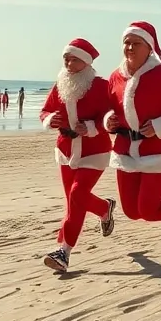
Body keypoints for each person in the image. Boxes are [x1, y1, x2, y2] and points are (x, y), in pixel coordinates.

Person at [105, 21, 161, 238]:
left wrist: (160, 126)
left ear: (149, 47)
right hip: (125, 150)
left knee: (147, 210)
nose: (130, 47)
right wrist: (108, 119)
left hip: (158, 151)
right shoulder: (115, 77)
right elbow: (107, 107)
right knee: (130, 212)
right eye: (126, 43)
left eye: (136, 43)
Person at [40, 38, 118, 273]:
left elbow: (111, 115)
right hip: (65, 150)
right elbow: (45, 109)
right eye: (66, 59)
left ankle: (63, 252)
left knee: (77, 195)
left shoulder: (101, 86)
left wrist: (94, 126)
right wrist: (48, 119)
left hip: (94, 150)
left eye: (74, 59)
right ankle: (105, 208)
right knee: (74, 200)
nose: (68, 64)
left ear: (86, 62)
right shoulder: (61, 83)